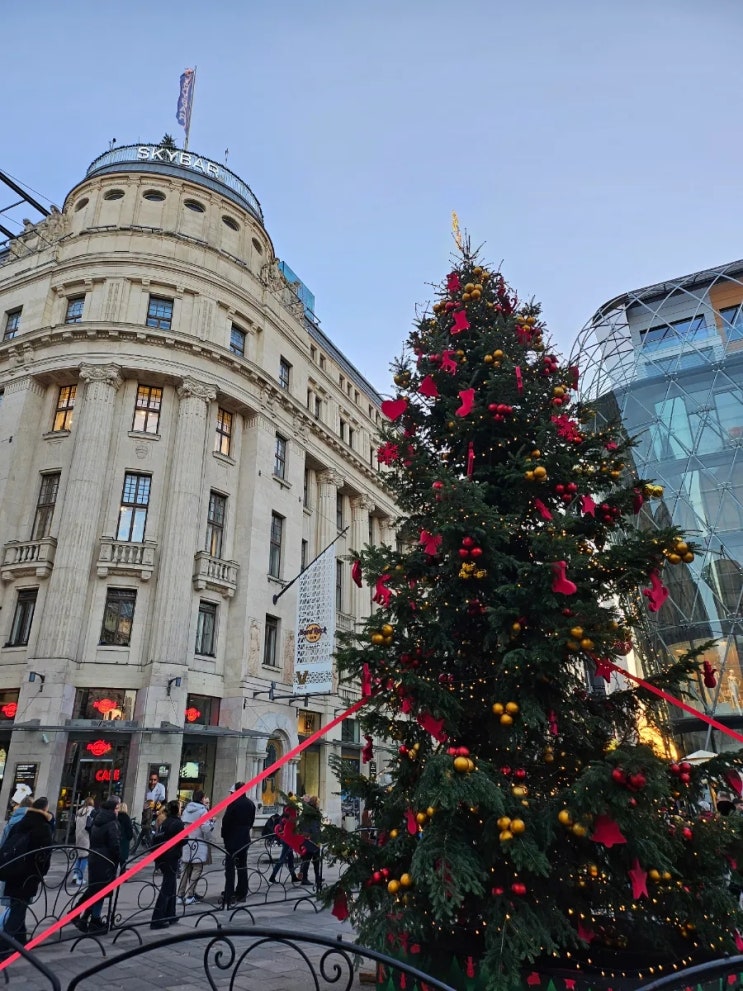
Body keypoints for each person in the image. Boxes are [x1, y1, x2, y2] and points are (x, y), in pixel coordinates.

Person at [0, 796, 54, 950]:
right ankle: (3, 946)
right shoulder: (43, 827)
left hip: (13, 870)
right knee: (19, 908)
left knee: (18, 905)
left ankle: (21, 939)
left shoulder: (20, 823)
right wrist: (41, 873)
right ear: (44, 809)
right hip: (29, 873)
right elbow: (45, 854)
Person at [73, 797, 120, 933]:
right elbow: (114, 844)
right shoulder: (111, 823)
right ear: (112, 809)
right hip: (106, 860)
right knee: (98, 890)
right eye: (117, 808)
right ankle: (84, 916)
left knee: (96, 890)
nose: (118, 811)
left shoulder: (97, 820)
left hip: (95, 856)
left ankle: (89, 918)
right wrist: (118, 857)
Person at [150, 800, 186, 929]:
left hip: (162, 857)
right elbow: (184, 840)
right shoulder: (178, 823)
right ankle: (157, 918)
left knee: (171, 884)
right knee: (167, 887)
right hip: (171, 856)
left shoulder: (166, 821)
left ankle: (170, 913)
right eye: (180, 808)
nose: (181, 810)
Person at [221, 782, 255, 908]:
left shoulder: (233, 803)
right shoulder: (250, 804)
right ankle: (242, 892)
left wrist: (224, 835)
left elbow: (226, 821)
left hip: (232, 839)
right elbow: (251, 821)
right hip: (244, 839)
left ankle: (229, 894)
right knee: (242, 866)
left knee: (230, 868)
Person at [178, 790, 213, 905]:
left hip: (187, 842)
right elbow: (205, 828)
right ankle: (190, 895)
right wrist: (211, 827)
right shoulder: (203, 811)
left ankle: (180, 895)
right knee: (197, 869)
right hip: (198, 842)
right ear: (202, 798)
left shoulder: (186, 810)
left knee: (185, 869)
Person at [268, 805, 300, 884]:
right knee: (282, 859)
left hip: (287, 840)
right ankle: (272, 877)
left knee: (290, 859)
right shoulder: (288, 820)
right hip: (287, 841)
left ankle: (293, 876)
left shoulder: (284, 818)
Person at [298, 795, 323, 892]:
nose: (318, 804)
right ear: (315, 803)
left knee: (312, 860)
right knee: (308, 859)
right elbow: (312, 826)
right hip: (311, 839)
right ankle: (306, 878)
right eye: (318, 802)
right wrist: (314, 836)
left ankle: (316, 877)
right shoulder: (311, 812)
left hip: (311, 838)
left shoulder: (310, 811)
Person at [72, 797, 95, 885]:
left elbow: (75, 823)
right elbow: (90, 824)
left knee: (79, 855)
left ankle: (75, 874)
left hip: (78, 835)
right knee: (85, 856)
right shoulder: (91, 811)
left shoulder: (79, 811)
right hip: (86, 836)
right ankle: (80, 878)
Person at [142, 772, 166, 842]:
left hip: (156, 810)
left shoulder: (161, 787)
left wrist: (158, 810)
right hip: (147, 810)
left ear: (157, 780)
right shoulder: (146, 786)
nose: (152, 782)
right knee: (145, 828)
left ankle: (150, 841)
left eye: (154, 780)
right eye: (151, 780)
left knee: (152, 827)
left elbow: (162, 800)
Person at [117, 802, 134, 870]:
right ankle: (122, 874)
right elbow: (130, 831)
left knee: (114, 860)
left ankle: (112, 874)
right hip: (124, 841)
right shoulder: (127, 818)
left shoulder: (115, 816)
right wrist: (128, 838)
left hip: (116, 839)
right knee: (123, 861)